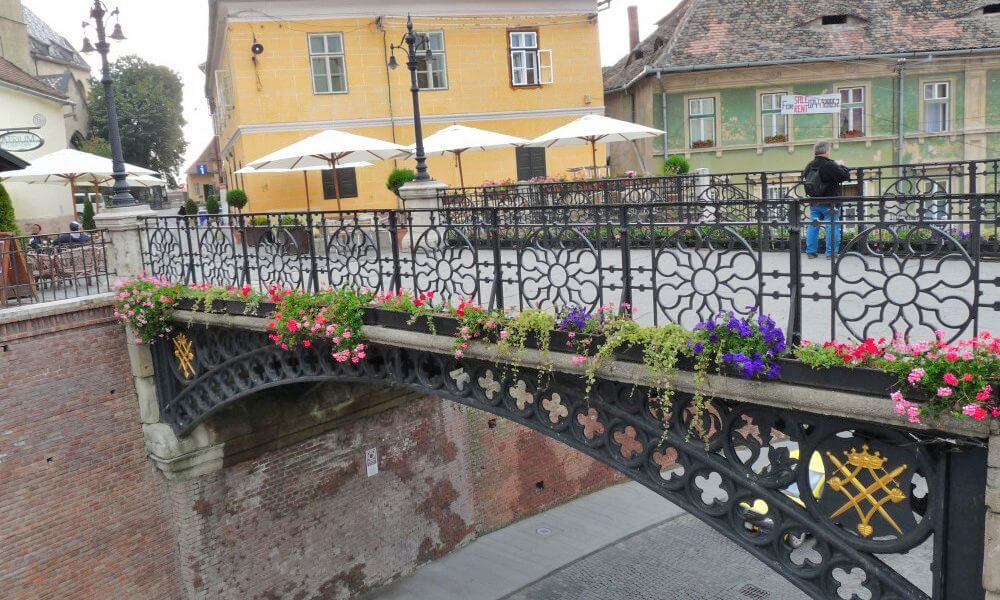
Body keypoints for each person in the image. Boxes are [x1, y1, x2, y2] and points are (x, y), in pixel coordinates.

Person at [803, 141, 851, 258]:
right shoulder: (829, 165)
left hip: (814, 201)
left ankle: (811, 252)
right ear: (827, 151)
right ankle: (831, 253)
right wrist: (841, 165)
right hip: (830, 201)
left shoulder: (809, 165)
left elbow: (805, 176)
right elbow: (845, 176)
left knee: (813, 225)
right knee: (832, 225)